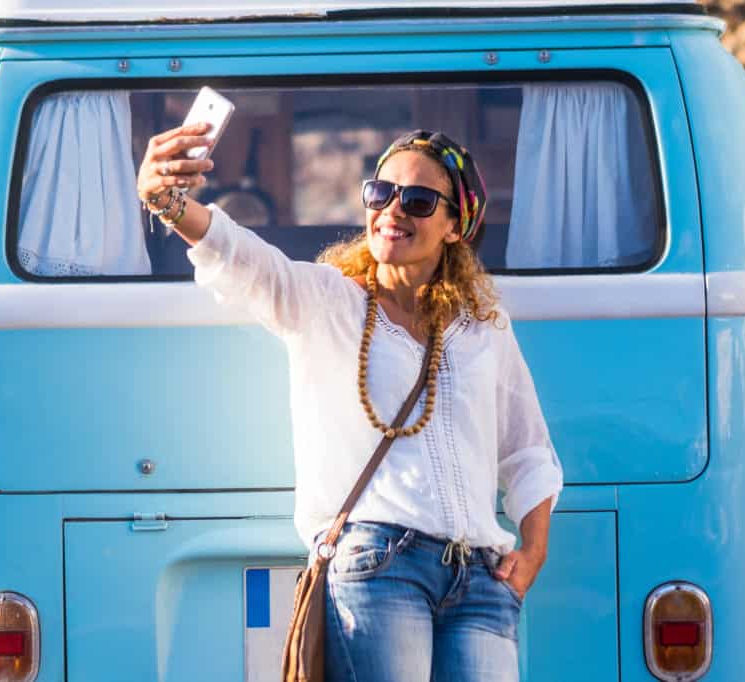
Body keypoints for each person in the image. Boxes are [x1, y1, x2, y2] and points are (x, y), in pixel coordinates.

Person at [137, 125, 563, 682]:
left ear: (455, 226)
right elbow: (247, 260)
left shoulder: (482, 327)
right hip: (379, 565)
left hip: (480, 578)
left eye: (417, 200)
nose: (392, 210)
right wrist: (167, 201)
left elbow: (527, 447)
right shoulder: (330, 301)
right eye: (380, 193)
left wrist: (533, 551)